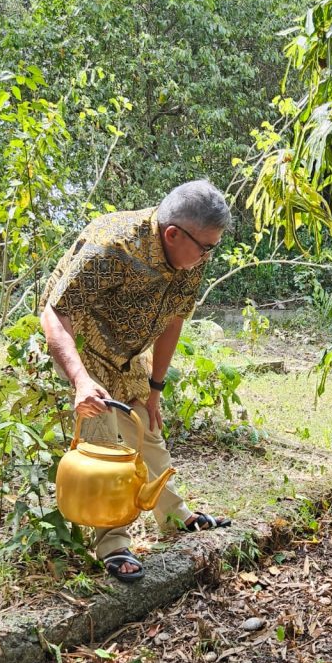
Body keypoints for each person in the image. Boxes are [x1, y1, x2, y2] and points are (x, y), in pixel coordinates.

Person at [40, 179, 232, 582]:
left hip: (128, 354)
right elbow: (56, 314)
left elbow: (173, 320)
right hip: (82, 345)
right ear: (173, 234)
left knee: (147, 429)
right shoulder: (112, 244)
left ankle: (176, 516)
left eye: (212, 247)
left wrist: (155, 389)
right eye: (205, 247)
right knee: (103, 439)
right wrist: (81, 381)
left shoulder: (191, 255)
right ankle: (112, 543)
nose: (207, 256)